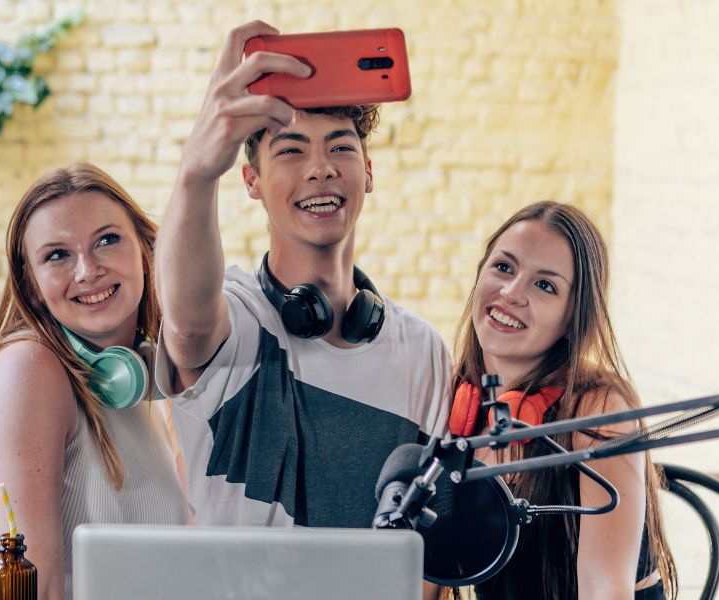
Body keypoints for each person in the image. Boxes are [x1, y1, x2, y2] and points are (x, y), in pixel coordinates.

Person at [152, 21, 451, 528]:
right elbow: (188, 324)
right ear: (252, 181)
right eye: (291, 150)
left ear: (368, 172)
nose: (320, 168)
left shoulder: (423, 350)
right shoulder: (239, 319)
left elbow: (427, 547)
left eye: (340, 147)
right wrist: (197, 173)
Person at [0, 163, 187, 600]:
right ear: (31, 285)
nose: (87, 270)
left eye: (107, 240)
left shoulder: (138, 379)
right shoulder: (28, 370)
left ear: (145, 252)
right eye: (57, 254)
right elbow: (37, 587)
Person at [442, 201, 677, 599]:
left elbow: (604, 591)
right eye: (504, 267)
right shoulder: (455, 402)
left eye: (545, 285)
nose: (512, 293)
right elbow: (426, 580)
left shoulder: (599, 410)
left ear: (573, 320)